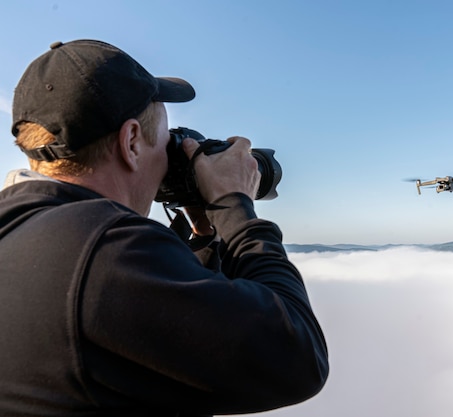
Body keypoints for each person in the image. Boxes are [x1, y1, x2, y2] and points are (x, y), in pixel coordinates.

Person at [0, 39, 328, 416]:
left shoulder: (21, 225)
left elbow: (166, 325)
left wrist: (204, 234)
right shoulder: (106, 250)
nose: (170, 158)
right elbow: (297, 359)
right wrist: (234, 206)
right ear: (132, 142)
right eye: (168, 141)